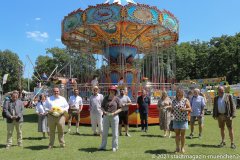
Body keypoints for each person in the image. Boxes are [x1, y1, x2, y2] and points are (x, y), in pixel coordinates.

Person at [99, 85, 122, 152]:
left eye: (113, 91)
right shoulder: (105, 98)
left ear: (115, 92)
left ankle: (114, 147)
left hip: (114, 117)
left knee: (115, 133)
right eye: (111, 90)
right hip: (106, 116)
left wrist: (114, 113)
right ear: (109, 91)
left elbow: (121, 108)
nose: (112, 91)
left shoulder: (117, 99)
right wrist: (104, 112)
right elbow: (102, 107)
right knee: (104, 133)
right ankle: (103, 146)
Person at [172, 88, 191, 153]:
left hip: (183, 120)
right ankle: (177, 148)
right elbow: (172, 109)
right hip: (176, 119)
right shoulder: (174, 101)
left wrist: (184, 109)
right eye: (177, 92)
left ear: (182, 93)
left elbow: (190, 109)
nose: (178, 93)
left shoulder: (185, 100)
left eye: (179, 92)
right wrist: (171, 111)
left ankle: (182, 148)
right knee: (177, 135)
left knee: (182, 135)